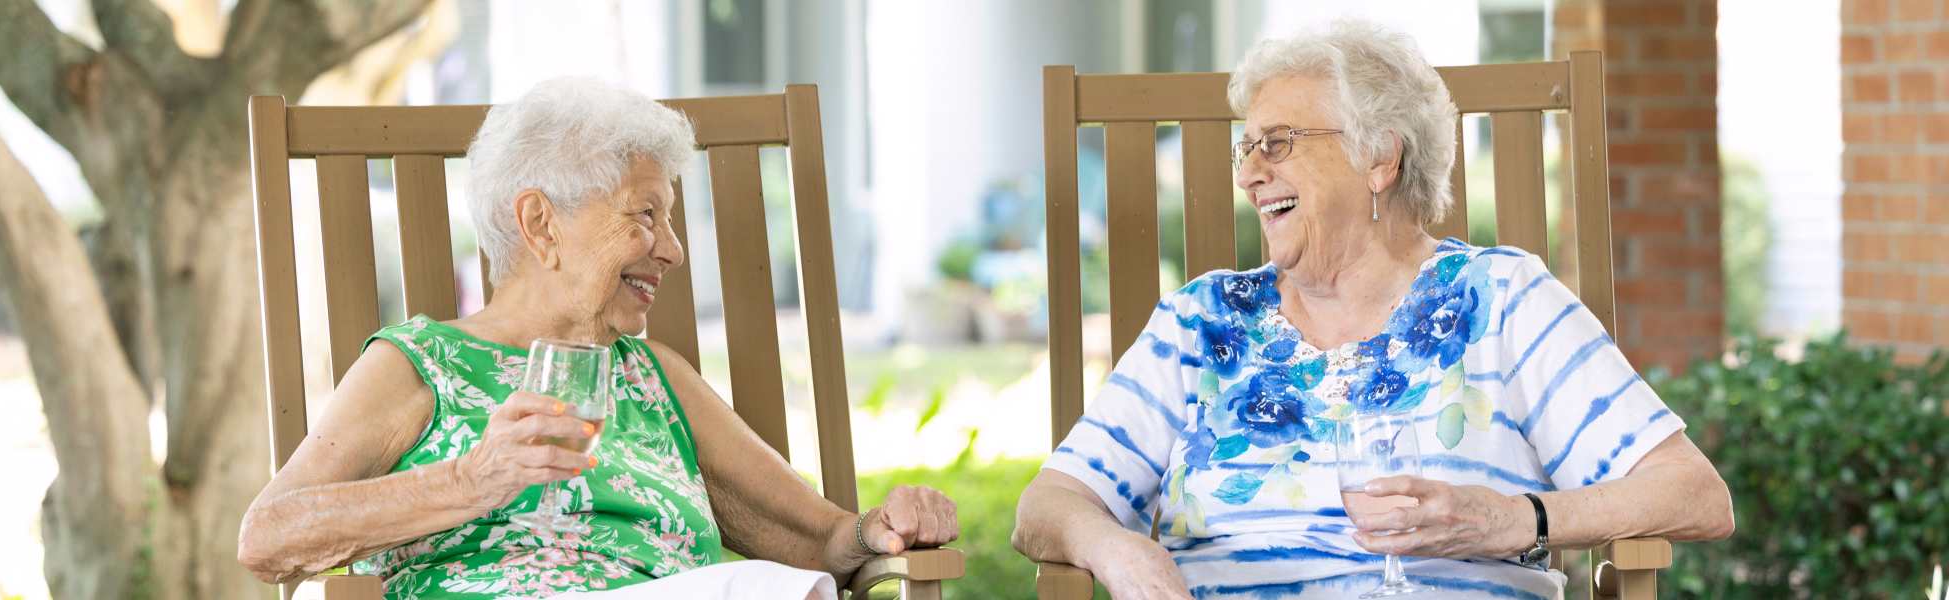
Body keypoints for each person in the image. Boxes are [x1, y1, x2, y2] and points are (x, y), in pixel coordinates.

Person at [1012, 20, 1732, 599]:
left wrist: (1514, 520)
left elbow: (1694, 494)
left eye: (1280, 144)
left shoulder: (1505, 300)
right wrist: (1114, 548)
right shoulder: (1201, 322)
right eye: (1247, 149)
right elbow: (1047, 506)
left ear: (1380, 158)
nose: (1250, 173)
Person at [238, 77, 958, 599]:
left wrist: (876, 533)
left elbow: (815, 540)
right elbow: (268, 537)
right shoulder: (420, 366)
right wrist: (469, 479)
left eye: (669, 220)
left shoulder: (656, 377)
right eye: (644, 215)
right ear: (541, 225)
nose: (671, 250)